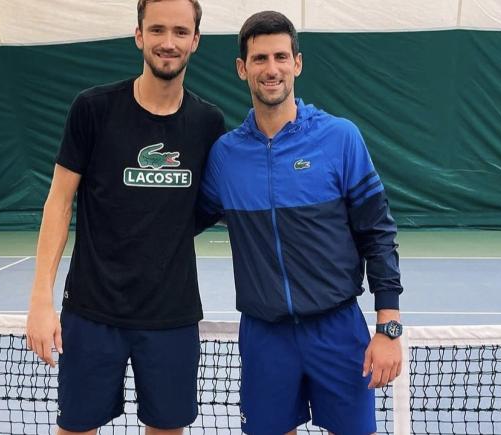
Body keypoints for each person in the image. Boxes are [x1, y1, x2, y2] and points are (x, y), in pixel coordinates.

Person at [198, 11, 404, 435]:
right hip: (264, 337)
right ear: (242, 69)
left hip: (338, 330)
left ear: (297, 63)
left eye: (279, 56)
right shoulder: (224, 156)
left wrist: (388, 325)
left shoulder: (340, 138)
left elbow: (377, 231)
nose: (270, 69)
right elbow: (177, 222)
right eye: (259, 59)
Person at [25, 1, 225, 434]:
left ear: (195, 40)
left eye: (178, 31)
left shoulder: (209, 124)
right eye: (156, 30)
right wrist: (41, 299)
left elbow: (212, 203)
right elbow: (58, 202)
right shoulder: (92, 109)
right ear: (139, 36)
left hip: (171, 317)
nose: (167, 42)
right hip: (92, 313)